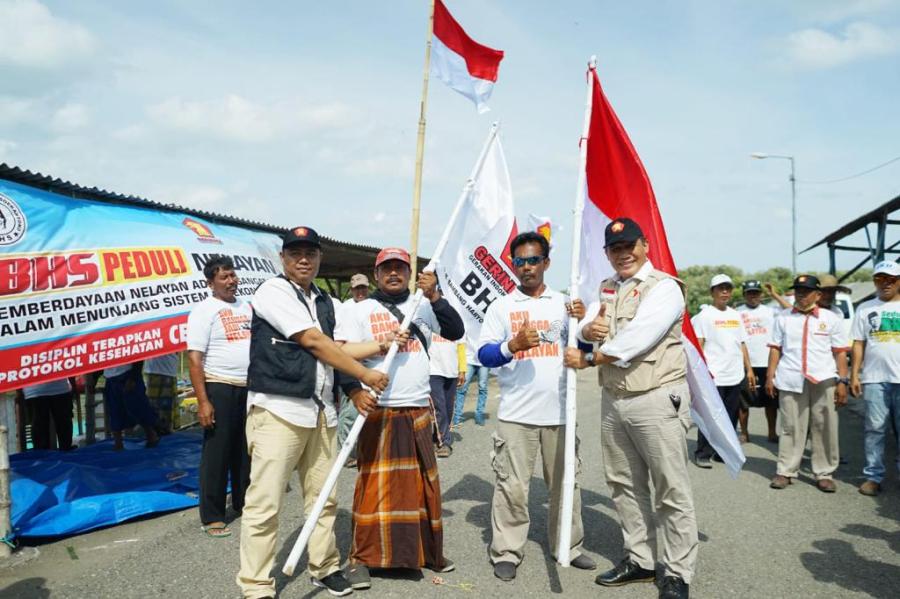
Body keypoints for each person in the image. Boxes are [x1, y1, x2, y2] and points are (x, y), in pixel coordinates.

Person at [237, 226, 389, 598]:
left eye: (310, 253)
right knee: (265, 502)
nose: (303, 259)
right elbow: (313, 341)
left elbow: (337, 348)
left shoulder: (324, 300)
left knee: (323, 498)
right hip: (278, 411)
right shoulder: (273, 291)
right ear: (283, 258)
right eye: (295, 253)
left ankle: (324, 566)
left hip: (321, 412)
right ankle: (256, 583)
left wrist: (381, 344)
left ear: (319, 257)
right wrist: (365, 374)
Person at [565, 218, 696, 599]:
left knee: (671, 489)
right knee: (623, 485)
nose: (623, 255)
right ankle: (640, 558)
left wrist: (590, 358)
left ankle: (676, 571)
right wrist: (586, 331)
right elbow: (586, 324)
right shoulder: (607, 287)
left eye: (628, 246)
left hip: (655, 395)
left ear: (645, 245)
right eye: (615, 249)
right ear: (607, 253)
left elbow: (639, 339)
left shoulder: (665, 288)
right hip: (615, 399)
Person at [334, 247, 464, 590]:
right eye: (387, 269)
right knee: (372, 490)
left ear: (408, 273)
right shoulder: (359, 310)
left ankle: (425, 553)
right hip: (377, 409)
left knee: (422, 487)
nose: (394, 274)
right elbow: (339, 355)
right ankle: (361, 559)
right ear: (376, 275)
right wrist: (353, 391)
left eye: (400, 269)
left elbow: (455, 330)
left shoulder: (422, 305)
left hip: (418, 406)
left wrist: (435, 295)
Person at [477, 231, 595, 582]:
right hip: (517, 415)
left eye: (533, 260)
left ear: (546, 263)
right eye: (519, 261)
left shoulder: (564, 304)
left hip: (560, 413)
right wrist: (512, 345)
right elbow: (484, 354)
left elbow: (584, 351)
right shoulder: (502, 306)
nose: (526, 267)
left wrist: (584, 325)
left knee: (565, 484)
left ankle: (568, 547)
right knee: (511, 487)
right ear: (513, 265)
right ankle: (507, 551)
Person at [186, 256, 253, 539]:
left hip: (248, 387)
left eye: (232, 275)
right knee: (217, 453)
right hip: (219, 386)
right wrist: (204, 401)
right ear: (210, 283)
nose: (231, 281)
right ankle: (212, 515)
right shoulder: (203, 311)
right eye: (224, 277)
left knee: (245, 449)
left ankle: (243, 502)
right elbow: (194, 359)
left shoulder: (246, 306)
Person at [766, 274, 850, 493]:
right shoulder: (783, 317)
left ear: (818, 294)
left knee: (825, 426)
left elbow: (840, 353)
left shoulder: (831, 318)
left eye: (806, 291)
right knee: (791, 426)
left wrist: (843, 381)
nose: (801, 295)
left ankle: (824, 472)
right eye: (798, 291)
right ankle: (786, 470)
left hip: (822, 378)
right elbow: (775, 348)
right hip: (790, 377)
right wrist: (769, 377)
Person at [690, 274, 755, 467]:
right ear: (712, 292)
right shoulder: (704, 317)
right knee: (710, 415)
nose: (724, 292)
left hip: (735, 375)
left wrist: (749, 370)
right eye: (720, 288)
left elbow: (741, 344)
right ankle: (703, 453)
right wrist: (701, 372)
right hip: (714, 376)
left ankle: (723, 452)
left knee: (731, 415)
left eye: (728, 288)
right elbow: (699, 345)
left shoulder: (736, 316)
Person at [850, 261, 900, 496]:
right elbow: (858, 343)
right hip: (874, 378)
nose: (885, 284)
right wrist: (854, 375)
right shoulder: (865, 308)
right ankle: (873, 476)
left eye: (890, 279)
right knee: (875, 429)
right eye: (880, 279)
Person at [736, 280, 779, 443]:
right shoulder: (737, 313)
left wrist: (774, 295)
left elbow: (792, 311)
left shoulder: (771, 311)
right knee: (744, 402)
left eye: (756, 292)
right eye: (749, 293)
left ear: (761, 294)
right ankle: (745, 433)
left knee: (771, 401)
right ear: (744, 295)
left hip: (767, 363)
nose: (753, 296)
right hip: (746, 364)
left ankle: (772, 432)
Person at [337, 273, 371, 468]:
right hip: (349, 363)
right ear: (351, 289)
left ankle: (359, 448)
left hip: (369, 363)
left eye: (363, 288)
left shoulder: (373, 306)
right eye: (357, 288)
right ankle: (345, 451)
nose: (360, 291)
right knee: (349, 411)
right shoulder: (344, 308)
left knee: (366, 410)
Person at [103, 361, 159, 451]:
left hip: (128, 373)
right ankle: (118, 443)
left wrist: (133, 377)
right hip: (110, 377)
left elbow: (138, 356)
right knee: (114, 411)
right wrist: (93, 380)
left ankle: (151, 435)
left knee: (138, 407)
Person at [430, 327, 466, 457]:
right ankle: (445, 442)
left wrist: (462, 370)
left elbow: (461, 347)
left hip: (451, 371)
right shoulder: (427, 317)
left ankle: (435, 437)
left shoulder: (454, 321)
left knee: (448, 408)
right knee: (438, 407)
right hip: (433, 371)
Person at [18, 378, 76, 450]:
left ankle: (65, 452)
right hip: (34, 390)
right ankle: (42, 455)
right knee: (41, 428)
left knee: (64, 426)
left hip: (58, 388)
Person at [453, 340, 490, 427]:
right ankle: (457, 417)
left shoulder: (487, 326)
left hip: (484, 361)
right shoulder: (467, 325)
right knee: (461, 388)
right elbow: (461, 341)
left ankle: (479, 415)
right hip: (469, 360)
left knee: (483, 388)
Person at [144, 353, 179, 435]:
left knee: (166, 407)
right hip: (152, 371)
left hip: (168, 371)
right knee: (152, 406)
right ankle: (155, 430)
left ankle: (166, 431)